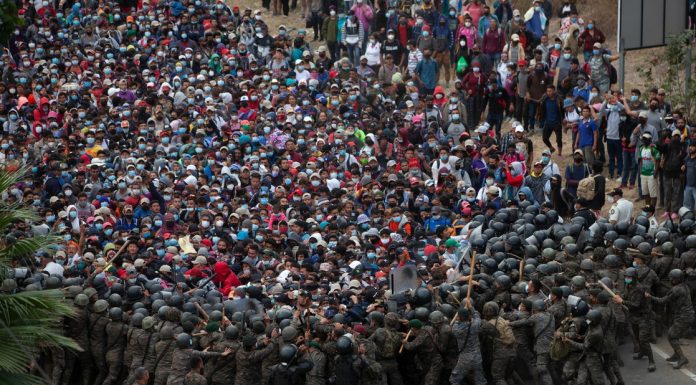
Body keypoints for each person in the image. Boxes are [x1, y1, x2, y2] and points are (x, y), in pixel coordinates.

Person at [637, 132, 661, 207]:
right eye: (643, 139)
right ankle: (648, 208)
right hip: (643, 174)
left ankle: (652, 210)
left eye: (645, 139)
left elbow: (657, 160)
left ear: (649, 139)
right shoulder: (641, 148)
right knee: (645, 193)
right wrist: (640, 170)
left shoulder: (653, 148)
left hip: (651, 174)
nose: (643, 140)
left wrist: (655, 172)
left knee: (653, 194)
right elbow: (640, 160)